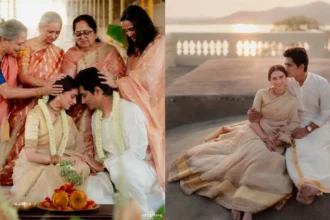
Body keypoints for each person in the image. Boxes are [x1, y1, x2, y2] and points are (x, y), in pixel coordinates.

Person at [168, 65, 300, 220]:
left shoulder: (291, 100)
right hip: (256, 131)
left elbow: (293, 123)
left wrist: (279, 140)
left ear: (286, 79)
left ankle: (247, 207)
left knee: (271, 160)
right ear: (270, 80)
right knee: (256, 153)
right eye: (274, 78)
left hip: (276, 137)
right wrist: (264, 138)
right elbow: (254, 120)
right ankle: (240, 204)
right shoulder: (262, 94)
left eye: (281, 77)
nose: (278, 81)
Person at [249, 47, 330, 205]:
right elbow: (270, 95)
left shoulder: (321, 83)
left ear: (301, 67)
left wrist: (308, 129)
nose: (285, 69)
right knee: (294, 152)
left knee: (317, 150)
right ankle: (305, 185)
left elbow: (327, 112)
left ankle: (316, 184)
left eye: (288, 65)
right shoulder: (288, 83)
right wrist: (251, 113)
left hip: (319, 124)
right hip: (295, 123)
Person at [76, 67, 161, 215]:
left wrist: (105, 165)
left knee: (123, 171)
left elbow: (138, 152)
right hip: (109, 172)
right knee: (90, 187)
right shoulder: (96, 117)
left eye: (84, 95)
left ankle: (140, 215)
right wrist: (96, 166)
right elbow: (100, 156)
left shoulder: (129, 110)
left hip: (137, 170)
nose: (82, 101)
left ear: (97, 91)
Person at [101, 5, 165, 189]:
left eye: (132, 29)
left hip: (153, 104)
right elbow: (130, 76)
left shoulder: (158, 44)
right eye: (125, 30)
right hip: (134, 103)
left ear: (142, 25)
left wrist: (119, 82)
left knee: (149, 144)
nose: (129, 34)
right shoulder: (133, 50)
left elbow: (150, 77)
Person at [1, 12, 66, 186]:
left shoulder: (58, 52)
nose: (53, 36)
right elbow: (15, 83)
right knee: (15, 139)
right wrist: (44, 88)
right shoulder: (25, 48)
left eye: (57, 33)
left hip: (42, 104)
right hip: (24, 102)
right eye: (49, 31)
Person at [11, 76, 90, 202]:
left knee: (82, 167)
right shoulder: (35, 115)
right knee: (49, 173)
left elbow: (79, 151)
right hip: (34, 166)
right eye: (72, 96)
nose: (75, 102)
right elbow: (31, 155)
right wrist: (64, 159)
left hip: (60, 166)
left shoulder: (68, 121)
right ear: (59, 93)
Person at [61, 14, 126, 155]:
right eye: (78, 34)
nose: (82, 37)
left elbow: (121, 77)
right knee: (83, 144)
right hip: (82, 104)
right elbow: (69, 82)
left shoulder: (109, 51)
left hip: (107, 102)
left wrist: (112, 81)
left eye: (86, 32)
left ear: (95, 32)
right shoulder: (71, 54)